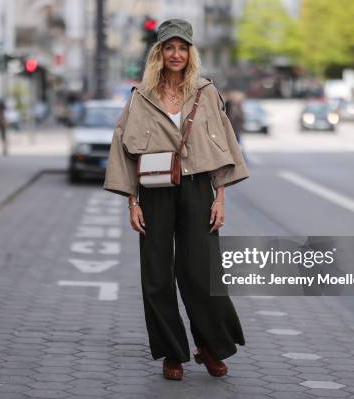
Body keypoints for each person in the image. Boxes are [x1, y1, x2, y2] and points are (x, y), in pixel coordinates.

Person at [103, 18, 248, 381]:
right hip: (155, 192)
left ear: (190, 53)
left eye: (183, 48)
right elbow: (123, 150)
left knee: (202, 272)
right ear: (159, 53)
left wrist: (221, 198)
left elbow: (222, 145)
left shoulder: (205, 92)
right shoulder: (141, 97)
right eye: (170, 47)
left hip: (198, 187)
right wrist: (132, 202)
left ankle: (210, 345)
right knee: (156, 276)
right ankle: (172, 352)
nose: (176, 54)